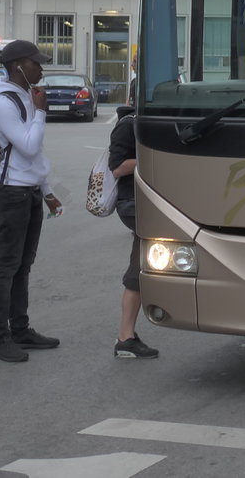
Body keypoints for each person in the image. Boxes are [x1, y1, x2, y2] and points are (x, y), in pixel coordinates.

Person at [0, 39, 63, 363]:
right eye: (36, 63)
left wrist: (47, 191)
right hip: (10, 196)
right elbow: (28, 146)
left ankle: (21, 329)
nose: (41, 68)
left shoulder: (24, 96)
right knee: (6, 267)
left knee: (23, 267)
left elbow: (34, 156)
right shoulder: (3, 102)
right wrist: (40, 113)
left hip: (27, 193)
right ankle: (0, 339)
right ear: (18, 67)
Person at [107, 104, 158, 359]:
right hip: (133, 204)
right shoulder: (128, 125)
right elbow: (115, 167)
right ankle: (125, 337)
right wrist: (152, 159)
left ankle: (126, 336)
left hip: (149, 204)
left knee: (140, 264)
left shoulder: (154, 122)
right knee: (138, 267)